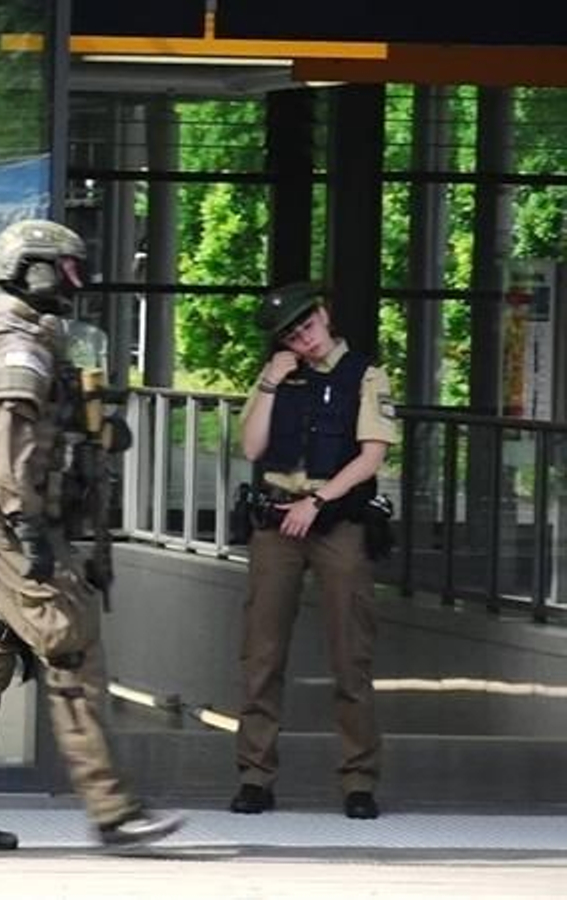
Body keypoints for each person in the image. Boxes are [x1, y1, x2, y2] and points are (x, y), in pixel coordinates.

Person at [0, 219, 183, 850]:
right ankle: (112, 808)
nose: (74, 282)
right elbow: (8, 440)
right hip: (15, 528)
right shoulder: (17, 344)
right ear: (34, 270)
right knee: (73, 646)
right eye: (65, 269)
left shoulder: (0, 334)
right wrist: (30, 530)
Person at [231, 282, 396, 820]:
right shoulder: (278, 376)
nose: (304, 339)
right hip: (277, 518)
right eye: (292, 335)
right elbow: (252, 447)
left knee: (351, 655)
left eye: (308, 325)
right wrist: (270, 381)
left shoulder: (365, 375)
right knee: (262, 653)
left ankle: (358, 782)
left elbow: (371, 457)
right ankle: (255, 776)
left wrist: (319, 501)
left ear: (325, 315)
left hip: (336, 521)